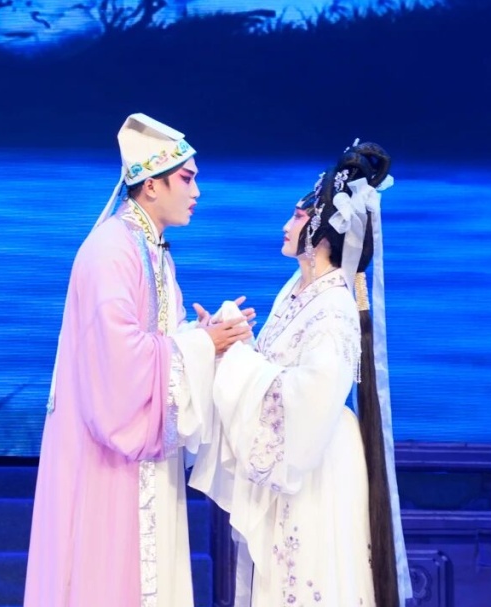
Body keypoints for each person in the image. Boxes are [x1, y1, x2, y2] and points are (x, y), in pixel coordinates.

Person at [23, 113, 255, 607]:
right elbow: (117, 358)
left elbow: (155, 340)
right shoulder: (112, 250)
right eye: (187, 179)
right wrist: (200, 345)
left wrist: (203, 335)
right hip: (109, 453)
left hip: (142, 449)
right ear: (151, 185)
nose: (197, 192)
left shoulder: (152, 249)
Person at [190, 141, 412, 606]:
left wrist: (237, 359)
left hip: (316, 458)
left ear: (321, 232)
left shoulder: (334, 307)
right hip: (298, 456)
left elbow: (308, 394)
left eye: (295, 217)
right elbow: (276, 370)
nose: (285, 225)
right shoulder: (297, 290)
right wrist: (226, 342)